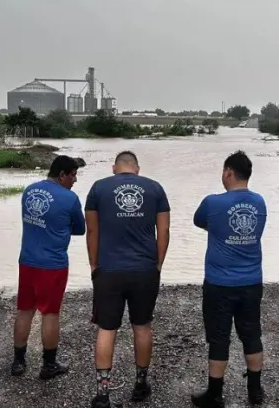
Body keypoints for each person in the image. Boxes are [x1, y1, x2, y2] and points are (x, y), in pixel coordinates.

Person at [86, 150, 170, 408]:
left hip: (109, 270)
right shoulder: (155, 188)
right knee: (142, 325)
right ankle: (140, 384)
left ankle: (103, 394)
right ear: (137, 168)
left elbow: (92, 230)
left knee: (107, 328)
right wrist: (158, 264)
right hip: (144, 270)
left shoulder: (98, 188)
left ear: (114, 168)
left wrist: (93, 264)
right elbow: (164, 230)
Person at [191, 151, 267, 407]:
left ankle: (215, 394)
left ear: (228, 172)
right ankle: (255, 391)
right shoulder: (260, 202)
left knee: (219, 336)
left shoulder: (213, 203)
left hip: (219, 283)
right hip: (252, 281)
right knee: (252, 333)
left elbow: (198, 221)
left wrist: (220, 230)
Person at [11, 155, 86, 379]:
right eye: (72, 175)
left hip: (27, 261)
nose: (74, 180)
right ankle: (49, 365)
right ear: (62, 174)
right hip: (53, 264)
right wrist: (61, 227)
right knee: (50, 314)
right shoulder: (70, 198)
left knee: (25, 310)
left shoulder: (29, 191)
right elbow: (80, 229)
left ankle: (18, 362)